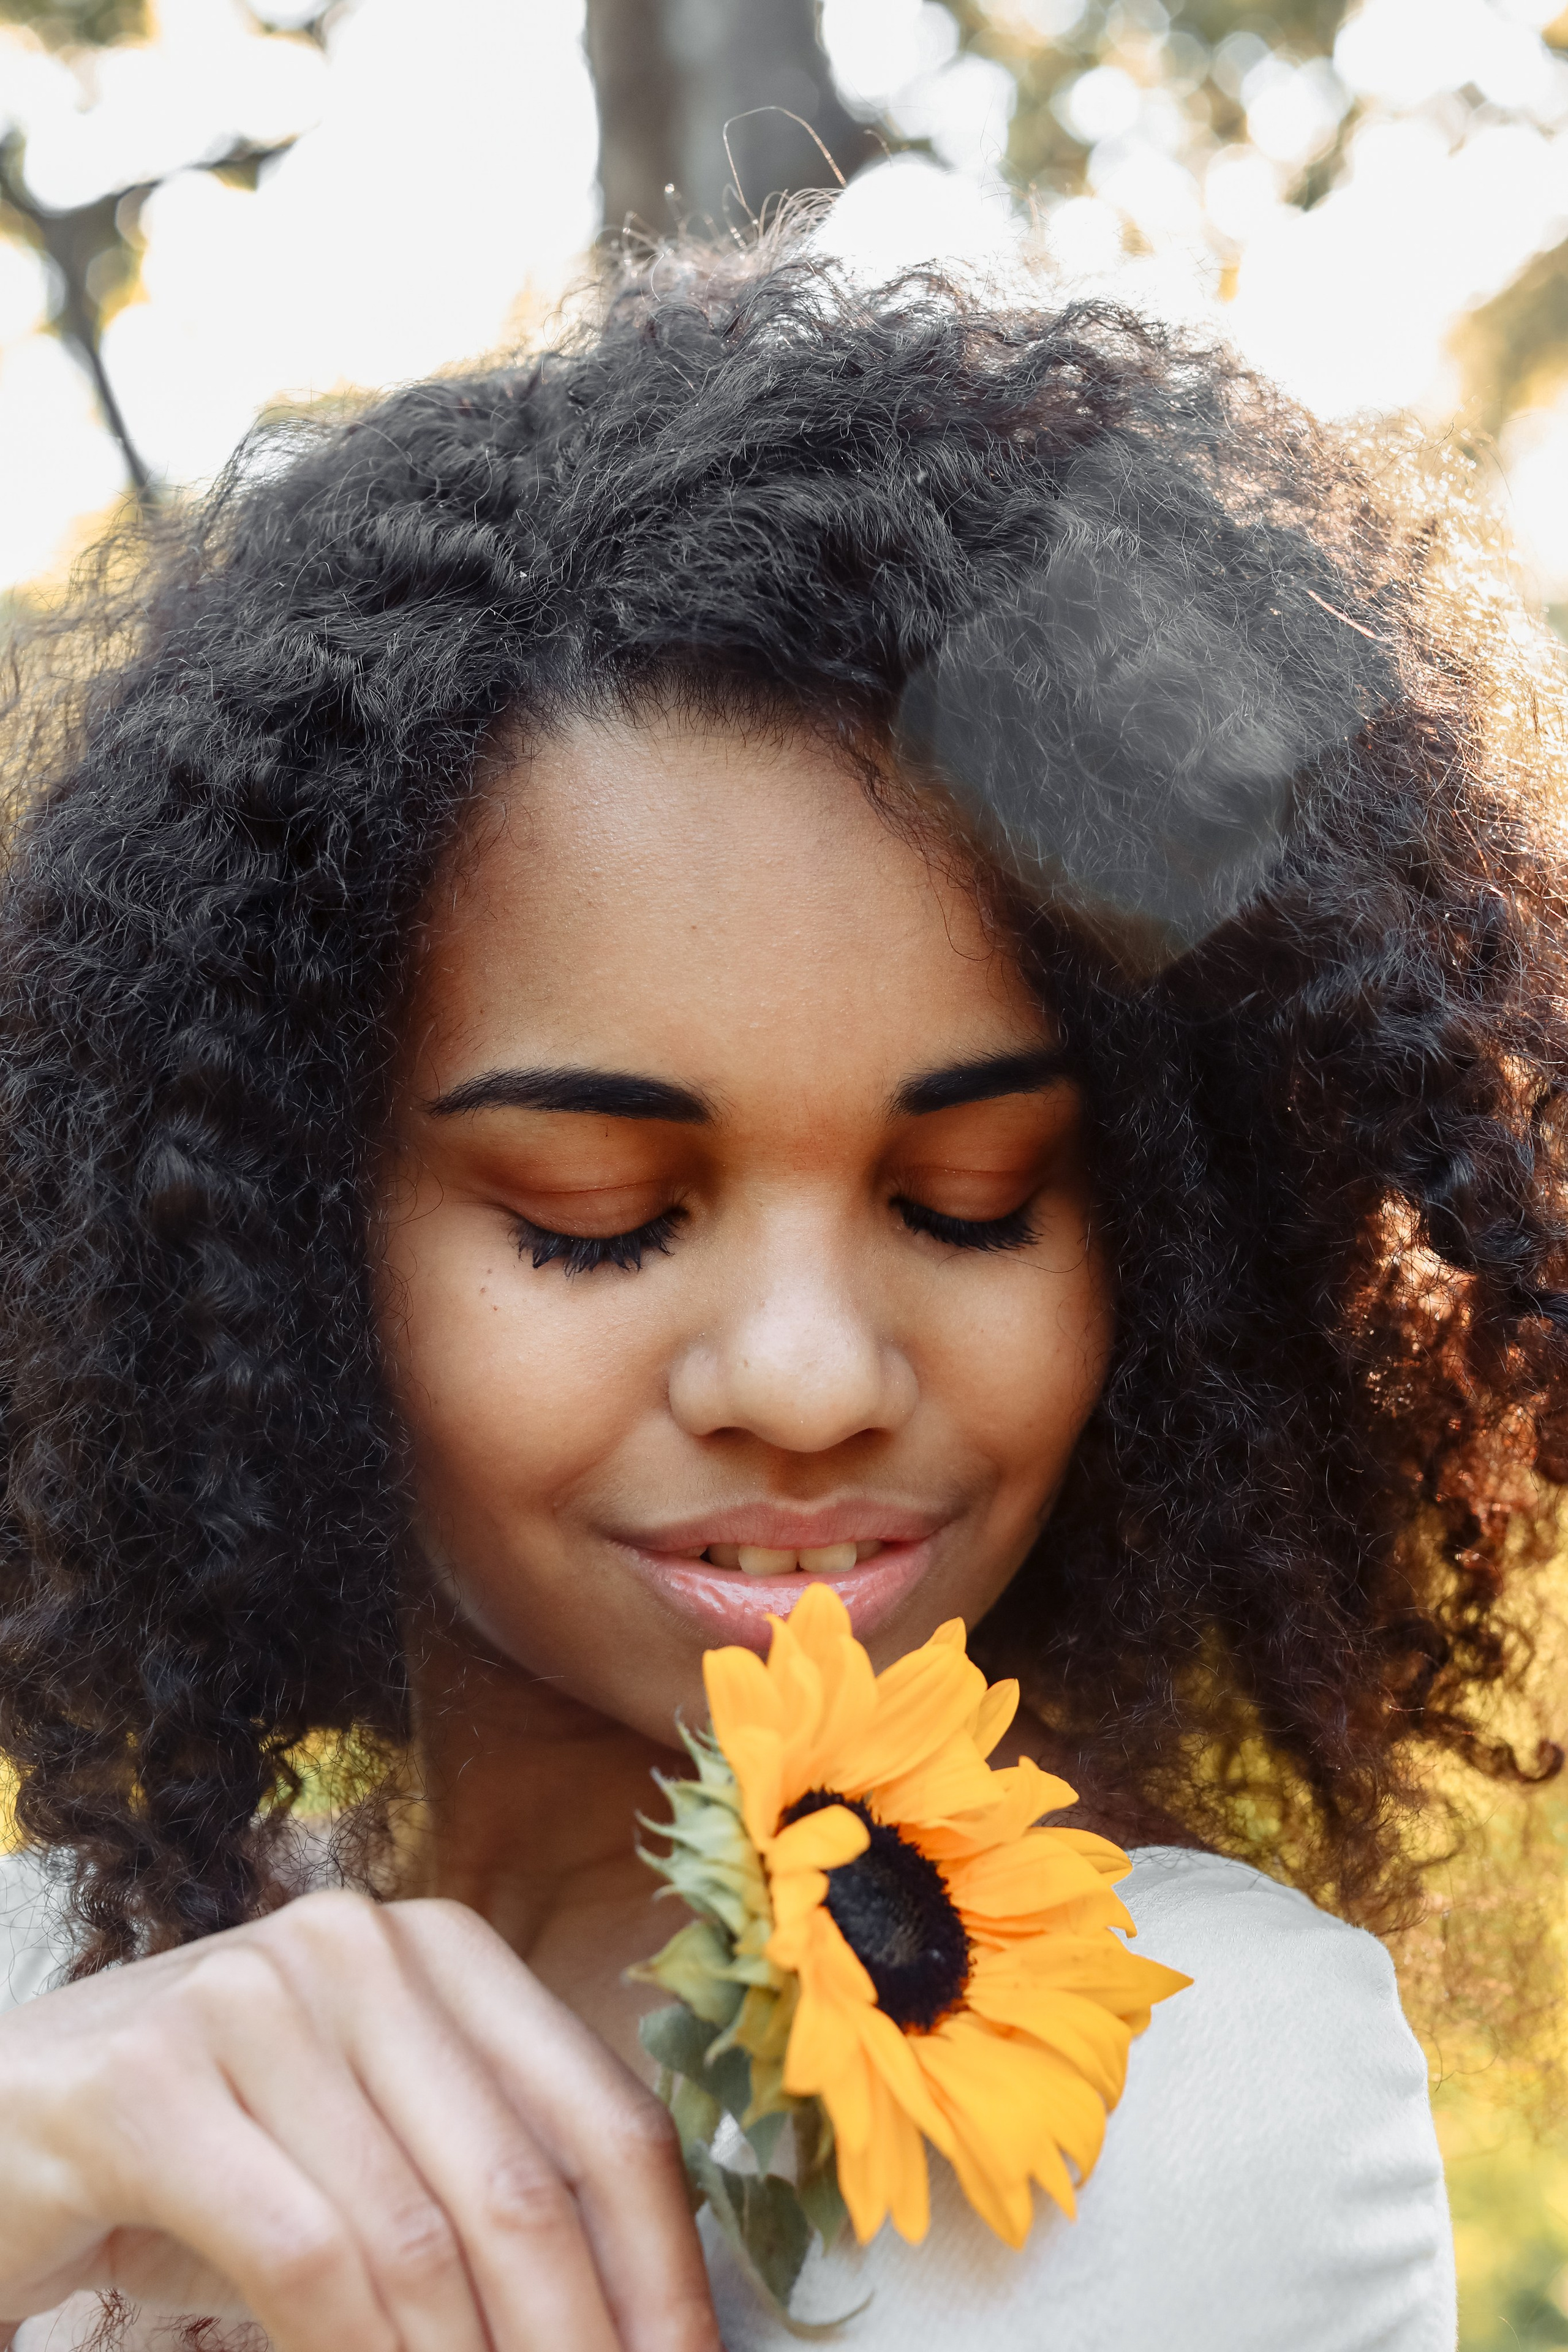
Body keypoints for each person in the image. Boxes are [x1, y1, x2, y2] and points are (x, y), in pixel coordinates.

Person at [0, 228, 1559, 2351]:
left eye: (980, 1197)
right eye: (593, 1212)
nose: (812, 1379)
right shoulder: (48, 2006)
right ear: (276, 1240)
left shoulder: (1167, 2085)